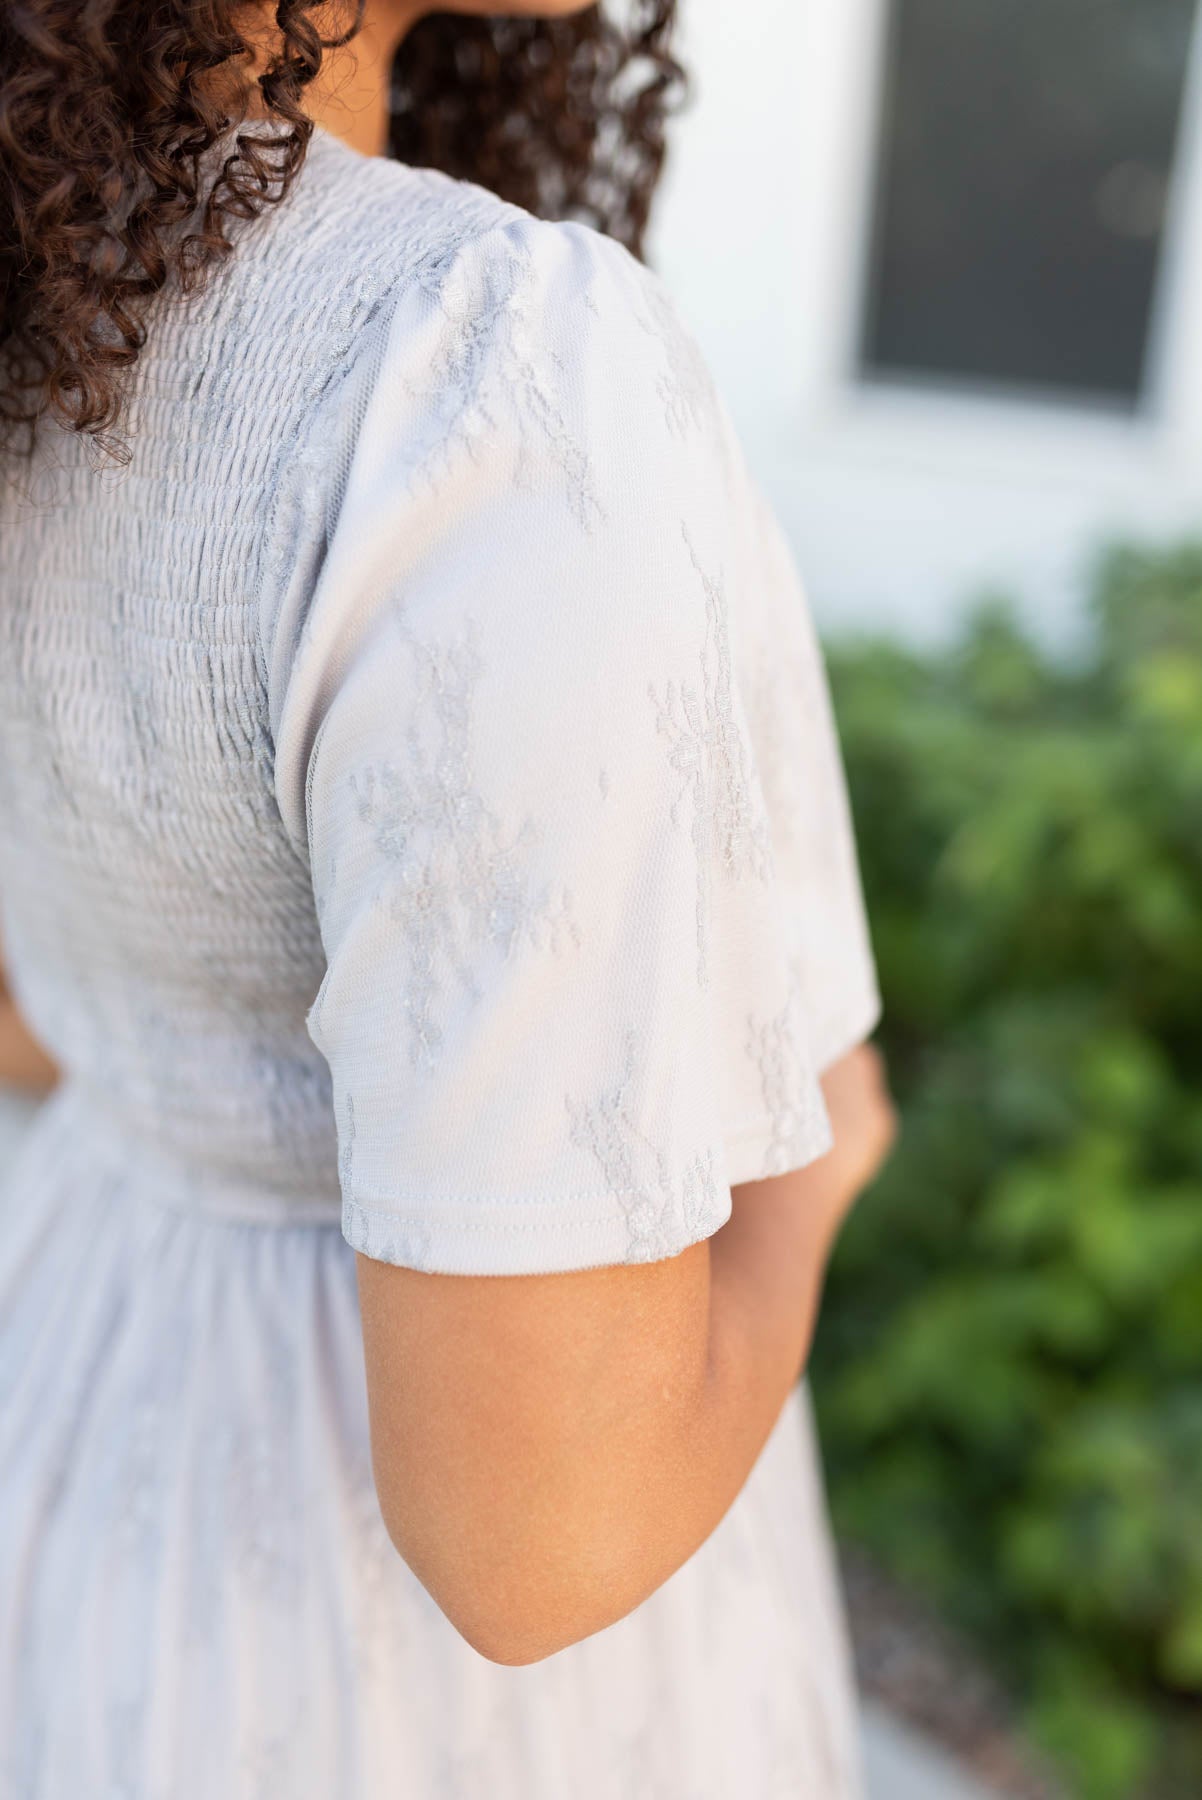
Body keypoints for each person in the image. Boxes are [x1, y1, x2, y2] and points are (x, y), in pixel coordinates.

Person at [0, 0, 897, 1793]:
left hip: (78, 1410)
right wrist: (808, 1179)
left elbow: (32, 1025)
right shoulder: (476, 358)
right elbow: (533, 1543)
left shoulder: (52, 303)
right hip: (386, 1695)